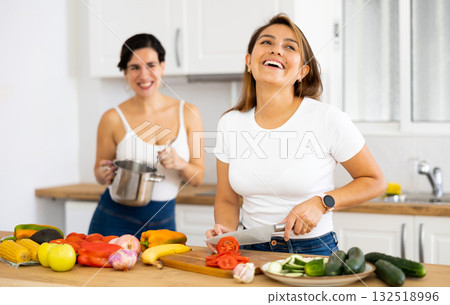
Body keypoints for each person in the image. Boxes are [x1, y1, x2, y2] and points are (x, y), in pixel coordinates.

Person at [206, 14, 385, 255]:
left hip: (312, 249)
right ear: (249, 62)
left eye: (289, 47)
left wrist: (323, 203)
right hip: (249, 248)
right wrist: (225, 235)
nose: (276, 50)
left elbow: (374, 181)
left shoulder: (327, 119)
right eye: (266, 42)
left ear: (302, 71)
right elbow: (227, 199)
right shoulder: (230, 123)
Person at [89, 33, 204, 236]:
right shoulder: (112, 118)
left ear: (163, 67)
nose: (144, 75)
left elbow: (198, 178)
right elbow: (99, 171)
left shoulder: (189, 113)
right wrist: (104, 172)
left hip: (164, 220)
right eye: (135, 67)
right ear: (125, 72)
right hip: (114, 220)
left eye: (151, 65)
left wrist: (181, 164)